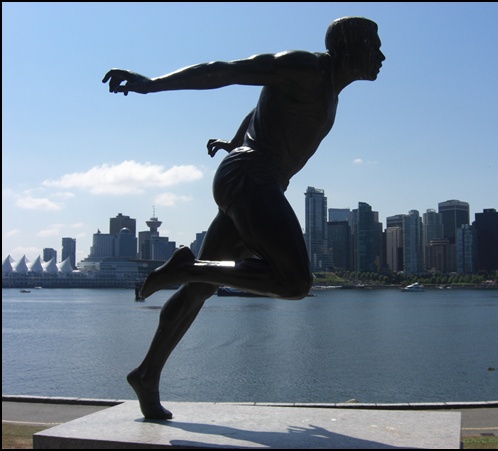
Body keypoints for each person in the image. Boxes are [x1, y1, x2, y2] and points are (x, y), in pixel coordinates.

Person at [102, 16, 384, 419]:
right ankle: (187, 267)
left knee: (198, 292)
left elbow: (260, 112)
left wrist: (234, 141)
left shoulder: (329, 89)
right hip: (251, 177)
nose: (381, 55)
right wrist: (150, 83)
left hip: (254, 179)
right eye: (373, 45)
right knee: (294, 282)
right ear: (349, 45)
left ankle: (146, 375)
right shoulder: (304, 68)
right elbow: (225, 71)